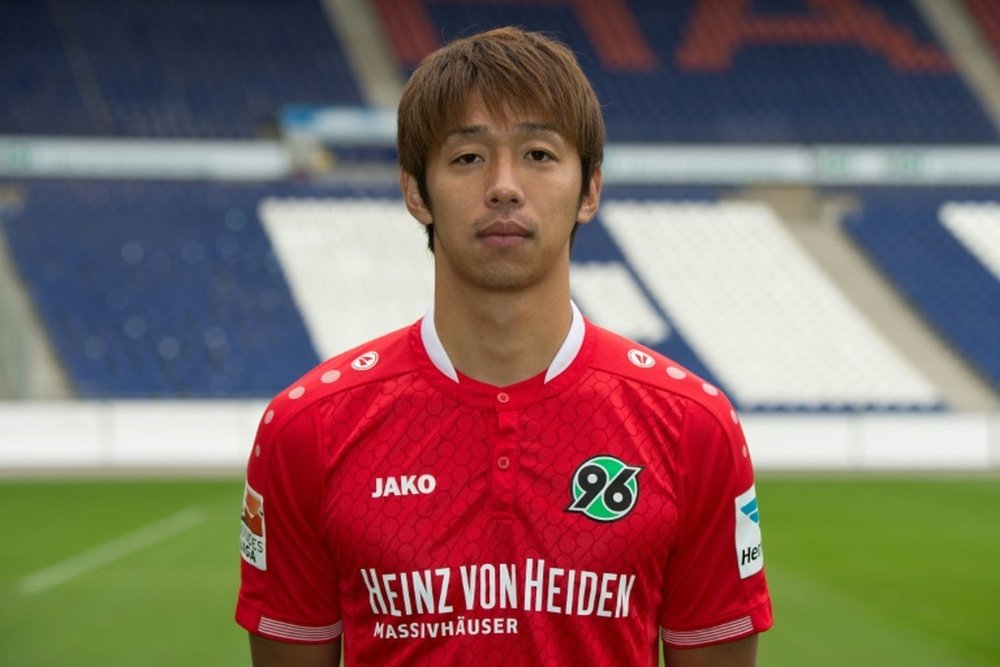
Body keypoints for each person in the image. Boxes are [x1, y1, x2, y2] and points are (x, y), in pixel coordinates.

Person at [235, 26, 772, 666]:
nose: (504, 185)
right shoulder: (307, 430)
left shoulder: (693, 428)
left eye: (540, 154)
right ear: (415, 192)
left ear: (590, 189)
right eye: (468, 158)